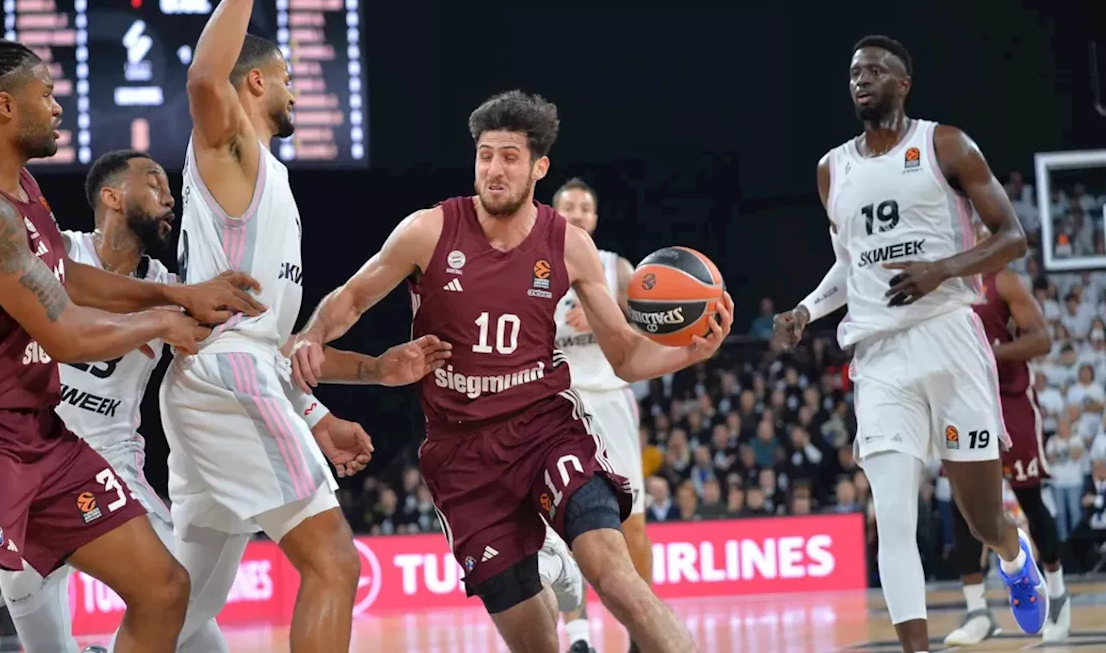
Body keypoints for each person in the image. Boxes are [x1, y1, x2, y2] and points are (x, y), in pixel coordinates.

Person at [290, 89, 734, 653]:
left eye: (509, 157)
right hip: (462, 453)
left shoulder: (570, 246)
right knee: (533, 642)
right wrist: (312, 334)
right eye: (485, 155)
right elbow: (351, 298)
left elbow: (624, 353)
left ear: (538, 167)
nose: (494, 169)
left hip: (546, 429)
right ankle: (549, 573)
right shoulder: (427, 231)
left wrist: (690, 352)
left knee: (616, 574)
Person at [0, 35, 267, 653]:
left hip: (41, 434)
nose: (58, 107)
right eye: (45, 95)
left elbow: (65, 278)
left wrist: (177, 295)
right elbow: (65, 331)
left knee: (163, 588)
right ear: (2, 107)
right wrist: (164, 322)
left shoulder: (21, 192)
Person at [162, 0, 451, 651]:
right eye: (286, 76)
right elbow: (204, 79)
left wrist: (373, 374)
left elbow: (282, 349)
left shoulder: (275, 184)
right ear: (254, 83)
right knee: (334, 562)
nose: (295, 88)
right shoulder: (235, 154)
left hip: (229, 376)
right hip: (228, 377)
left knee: (177, 607)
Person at [772, 35, 1047, 653]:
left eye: (875, 70)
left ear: (903, 83)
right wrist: (807, 310)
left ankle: (1011, 553)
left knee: (980, 517)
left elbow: (1012, 237)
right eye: (853, 73)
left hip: (949, 338)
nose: (861, 80)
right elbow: (851, 266)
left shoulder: (946, 144)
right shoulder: (831, 169)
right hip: (880, 356)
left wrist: (942, 269)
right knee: (894, 520)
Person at [0, 149, 223, 653]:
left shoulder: (172, 288)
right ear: (112, 196)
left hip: (114, 467)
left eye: (170, 188)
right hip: (30, 466)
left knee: (194, 628)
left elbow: (242, 354)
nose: (170, 197)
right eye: (156, 183)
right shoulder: (60, 257)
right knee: (44, 645)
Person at [944, 235, 1067, 645]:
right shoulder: (944, 280)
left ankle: (1059, 597)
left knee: (1029, 499)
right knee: (965, 510)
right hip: (963, 403)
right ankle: (977, 611)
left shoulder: (1004, 282)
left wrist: (987, 355)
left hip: (1010, 402)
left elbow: (1043, 339)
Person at [551, 177, 650, 653]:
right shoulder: (532, 269)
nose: (576, 214)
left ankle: (642, 634)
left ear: (594, 218)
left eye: (584, 208)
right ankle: (579, 636)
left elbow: (649, 325)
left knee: (632, 523)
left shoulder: (616, 268)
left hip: (610, 400)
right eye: (567, 206)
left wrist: (604, 314)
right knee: (566, 527)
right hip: (558, 405)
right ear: (552, 213)